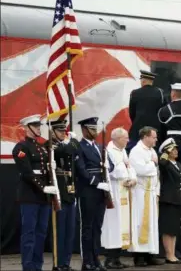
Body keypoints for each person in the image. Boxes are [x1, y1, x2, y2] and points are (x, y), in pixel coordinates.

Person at [12, 114, 58, 271]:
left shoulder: (42, 147)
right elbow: (27, 173)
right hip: (30, 195)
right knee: (29, 233)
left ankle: (37, 265)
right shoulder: (21, 147)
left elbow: (46, 171)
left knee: (41, 233)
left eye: (39, 125)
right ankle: (28, 266)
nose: (39, 128)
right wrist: (43, 187)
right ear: (27, 128)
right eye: (36, 126)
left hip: (43, 196)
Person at [75, 117, 114, 271]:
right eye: (92, 129)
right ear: (84, 130)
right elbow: (81, 169)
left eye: (95, 128)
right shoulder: (80, 146)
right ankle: (87, 261)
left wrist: (107, 166)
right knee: (88, 227)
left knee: (97, 227)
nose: (95, 131)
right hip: (88, 190)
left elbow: (110, 166)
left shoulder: (100, 146)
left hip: (101, 191)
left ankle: (96, 259)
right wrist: (96, 182)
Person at [128, 126, 164, 267]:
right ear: (145, 137)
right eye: (154, 137)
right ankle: (139, 256)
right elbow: (140, 170)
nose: (156, 139)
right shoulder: (136, 151)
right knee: (140, 223)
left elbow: (157, 174)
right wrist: (153, 163)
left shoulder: (151, 151)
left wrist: (157, 191)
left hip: (151, 192)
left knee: (152, 224)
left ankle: (150, 254)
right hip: (140, 193)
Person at [101, 128, 137, 269]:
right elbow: (112, 171)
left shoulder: (122, 151)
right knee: (114, 226)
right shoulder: (109, 152)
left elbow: (130, 167)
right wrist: (125, 175)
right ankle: (110, 258)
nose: (128, 140)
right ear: (116, 139)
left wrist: (133, 178)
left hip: (125, 191)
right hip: (115, 192)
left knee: (122, 225)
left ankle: (116, 257)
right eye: (125, 138)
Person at [49, 119, 78, 271]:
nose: (63, 133)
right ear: (52, 131)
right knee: (60, 230)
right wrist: (72, 140)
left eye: (64, 131)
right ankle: (58, 263)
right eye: (60, 131)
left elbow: (75, 150)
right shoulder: (51, 146)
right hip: (58, 190)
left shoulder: (64, 144)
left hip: (69, 189)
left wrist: (71, 142)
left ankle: (66, 262)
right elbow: (68, 150)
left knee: (69, 230)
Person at [158, 138, 181, 264]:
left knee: (174, 229)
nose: (176, 151)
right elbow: (161, 164)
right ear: (167, 151)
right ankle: (169, 255)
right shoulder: (166, 164)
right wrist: (164, 154)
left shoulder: (178, 164)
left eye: (175, 149)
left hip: (177, 199)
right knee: (168, 229)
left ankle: (172, 253)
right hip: (168, 199)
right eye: (172, 149)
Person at [128, 70, 166, 153]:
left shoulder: (134, 93)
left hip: (137, 131)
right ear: (152, 81)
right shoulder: (160, 93)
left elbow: (132, 113)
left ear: (143, 80)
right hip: (155, 132)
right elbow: (163, 112)